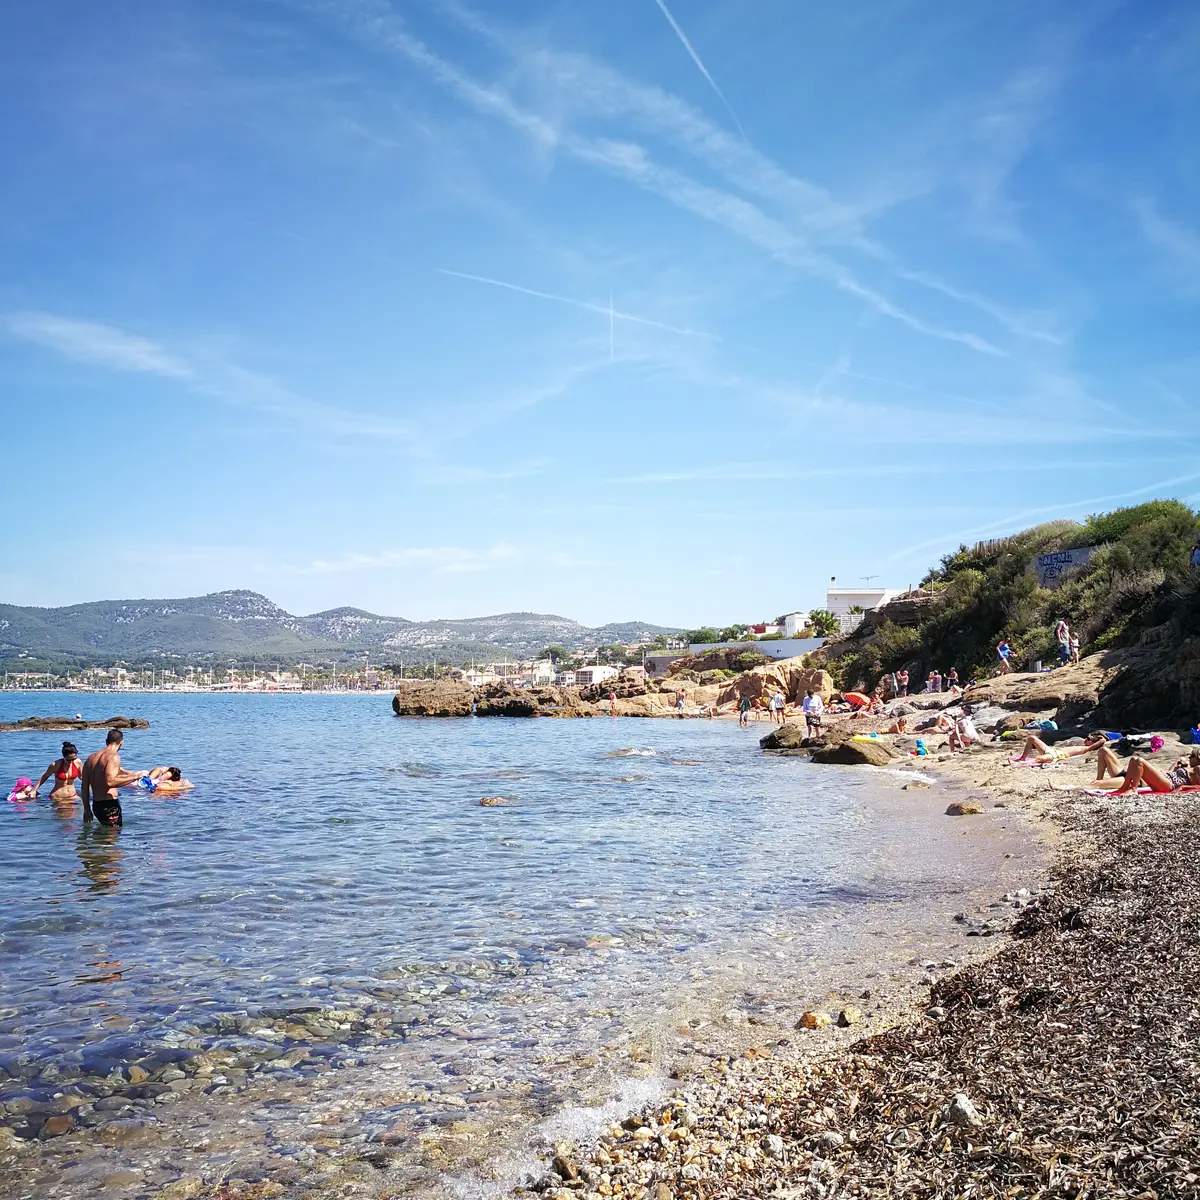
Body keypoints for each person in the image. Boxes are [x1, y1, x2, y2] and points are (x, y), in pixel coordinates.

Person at [81, 729, 145, 826]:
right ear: (121, 743)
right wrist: (136, 776)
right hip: (109, 805)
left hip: (96, 805)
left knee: (102, 839)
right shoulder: (114, 757)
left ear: (106, 741)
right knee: (111, 838)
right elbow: (110, 782)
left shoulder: (91, 758)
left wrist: (87, 809)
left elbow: (84, 786)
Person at [1111, 750, 1200, 795]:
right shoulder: (1191, 767)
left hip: (1170, 784)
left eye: (1192, 757)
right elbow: (1171, 771)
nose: (1189, 758)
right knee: (1133, 759)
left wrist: (1183, 787)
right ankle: (1124, 787)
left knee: (1140, 761)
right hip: (1166, 778)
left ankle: (1133, 790)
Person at [1012, 730, 1109, 765]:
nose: (1085, 739)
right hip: (1053, 751)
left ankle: (1023, 763)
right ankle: (1023, 758)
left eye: (1088, 739)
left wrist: (1101, 738)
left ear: (1092, 743)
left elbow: (1103, 741)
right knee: (1031, 738)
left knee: (1039, 759)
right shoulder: (1081, 746)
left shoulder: (1086, 749)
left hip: (1058, 755)